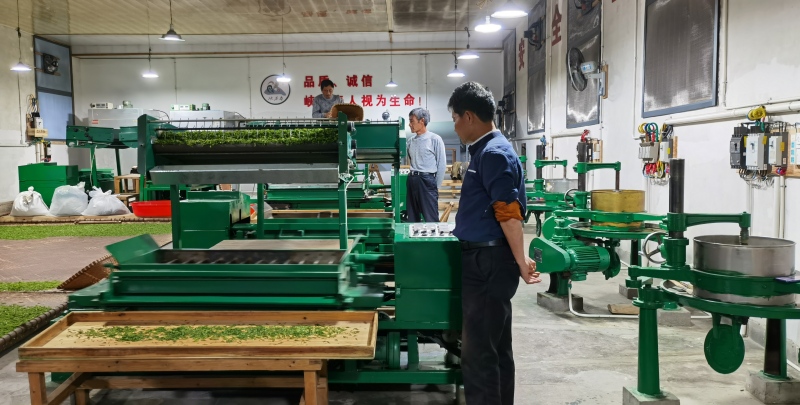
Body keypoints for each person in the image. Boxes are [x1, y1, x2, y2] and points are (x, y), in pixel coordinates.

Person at [448, 82, 541, 405]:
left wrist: (521, 261)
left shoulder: (493, 154)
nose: (455, 126)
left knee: (478, 356)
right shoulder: (487, 151)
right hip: (487, 259)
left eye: (455, 119)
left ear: (469, 117)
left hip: (487, 263)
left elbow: (509, 214)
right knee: (496, 349)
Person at [406, 108, 447, 223]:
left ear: (422, 121)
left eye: (412, 121)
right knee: (412, 218)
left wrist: (435, 187)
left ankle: (433, 235)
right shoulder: (410, 141)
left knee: (430, 218)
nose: (409, 124)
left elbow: (441, 164)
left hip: (427, 180)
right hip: (412, 179)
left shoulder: (435, 139)